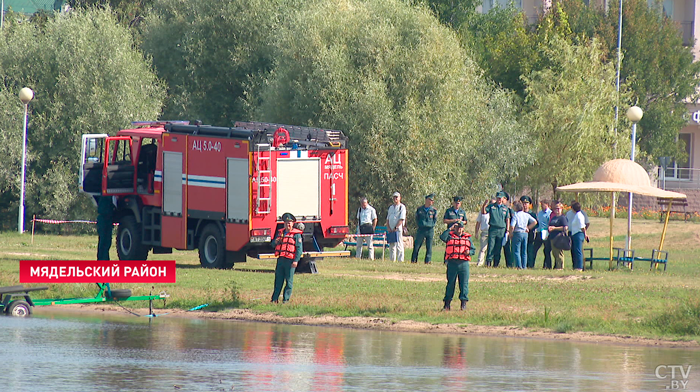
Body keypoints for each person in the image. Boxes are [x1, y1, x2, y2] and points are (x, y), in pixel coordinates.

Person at [440, 221, 474, 311]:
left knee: (464, 284)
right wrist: (450, 229)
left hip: (463, 264)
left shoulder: (468, 238)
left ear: (463, 228)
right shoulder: (449, 236)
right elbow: (442, 237)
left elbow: (473, 250)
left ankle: (463, 304)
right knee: (450, 283)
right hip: (452, 263)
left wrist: (469, 252)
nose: (459, 229)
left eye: (461, 228)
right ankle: (447, 304)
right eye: (457, 227)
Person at [271, 213, 303, 303]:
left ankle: (286, 300)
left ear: (293, 224)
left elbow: (299, 249)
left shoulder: (296, 235)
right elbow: (272, 244)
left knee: (289, 281)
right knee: (278, 280)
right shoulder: (280, 234)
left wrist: (296, 261)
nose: (287, 225)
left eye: (289, 223)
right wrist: (276, 242)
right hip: (281, 260)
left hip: (290, 261)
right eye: (286, 223)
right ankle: (274, 299)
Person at [484, 191, 510, 268]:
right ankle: (488, 262)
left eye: (500, 198)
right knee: (491, 246)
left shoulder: (505, 208)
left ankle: (496, 263)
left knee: (498, 247)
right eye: (498, 198)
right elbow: (484, 212)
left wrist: (507, 230)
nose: (499, 199)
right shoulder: (492, 206)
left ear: (503, 199)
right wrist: (484, 205)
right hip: (493, 228)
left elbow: (507, 219)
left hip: (502, 230)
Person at [509, 200, 537, 270]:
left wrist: (510, 233)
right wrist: (528, 227)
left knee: (516, 250)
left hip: (517, 232)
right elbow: (535, 222)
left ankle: (519, 266)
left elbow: (512, 226)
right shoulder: (526, 215)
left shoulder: (516, 215)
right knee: (524, 251)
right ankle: (524, 266)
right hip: (525, 233)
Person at [411, 193, 438, 264]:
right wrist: (420, 224)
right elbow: (417, 218)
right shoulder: (420, 209)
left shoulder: (434, 210)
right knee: (417, 246)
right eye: (430, 200)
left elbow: (435, 219)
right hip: (421, 229)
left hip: (429, 229)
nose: (431, 202)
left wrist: (431, 225)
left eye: (432, 200)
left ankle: (428, 261)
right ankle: (414, 260)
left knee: (429, 247)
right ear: (426, 200)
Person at [548, 201, 569, 270]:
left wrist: (555, 228)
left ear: (561, 209)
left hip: (559, 237)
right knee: (555, 253)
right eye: (555, 209)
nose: (557, 210)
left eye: (558, 208)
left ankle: (560, 267)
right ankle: (557, 266)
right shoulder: (554, 218)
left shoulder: (562, 218)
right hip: (552, 237)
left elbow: (565, 227)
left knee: (559, 254)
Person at [386, 192, 407, 262]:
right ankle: (392, 260)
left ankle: (400, 260)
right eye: (394, 197)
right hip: (391, 229)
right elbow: (388, 218)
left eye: (396, 197)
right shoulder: (391, 208)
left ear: (399, 198)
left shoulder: (402, 207)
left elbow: (401, 219)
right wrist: (389, 228)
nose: (395, 199)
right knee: (392, 246)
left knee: (399, 245)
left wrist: (396, 227)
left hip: (398, 229)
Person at [533, 199, 553, 269]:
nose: (542, 206)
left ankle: (547, 265)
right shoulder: (540, 213)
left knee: (546, 250)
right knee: (534, 249)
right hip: (539, 232)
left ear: (547, 205)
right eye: (541, 205)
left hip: (546, 232)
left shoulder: (550, 213)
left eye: (543, 205)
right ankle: (531, 264)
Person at [569, 202, 589, 271]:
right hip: (575, 234)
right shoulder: (577, 215)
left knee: (578, 251)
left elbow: (582, 227)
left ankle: (579, 267)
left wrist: (585, 234)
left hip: (578, 234)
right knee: (575, 250)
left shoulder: (579, 216)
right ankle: (576, 266)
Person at [96, 196, 117, 260]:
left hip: (108, 219)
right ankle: (101, 259)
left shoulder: (110, 197)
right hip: (103, 218)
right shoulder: (106, 197)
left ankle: (105, 259)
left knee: (107, 241)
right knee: (103, 240)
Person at [474, 199, 494, 267]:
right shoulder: (483, 212)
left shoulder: (495, 212)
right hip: (484, 232)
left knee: (491, 249)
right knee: (483, 248)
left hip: (492, 232)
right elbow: (478, 223)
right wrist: (476, 232)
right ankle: (480, 262)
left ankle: (488, 263)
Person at [521, 196, 539, 269]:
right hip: (521, 234)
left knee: (530, 251)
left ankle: (530, 265)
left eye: (526, 203)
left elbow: (537, 224)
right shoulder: (519, 214)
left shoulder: (532, 214)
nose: (525, 205)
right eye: (523, 203)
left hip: (530, 235)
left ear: (529, 204)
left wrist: (528, 228)